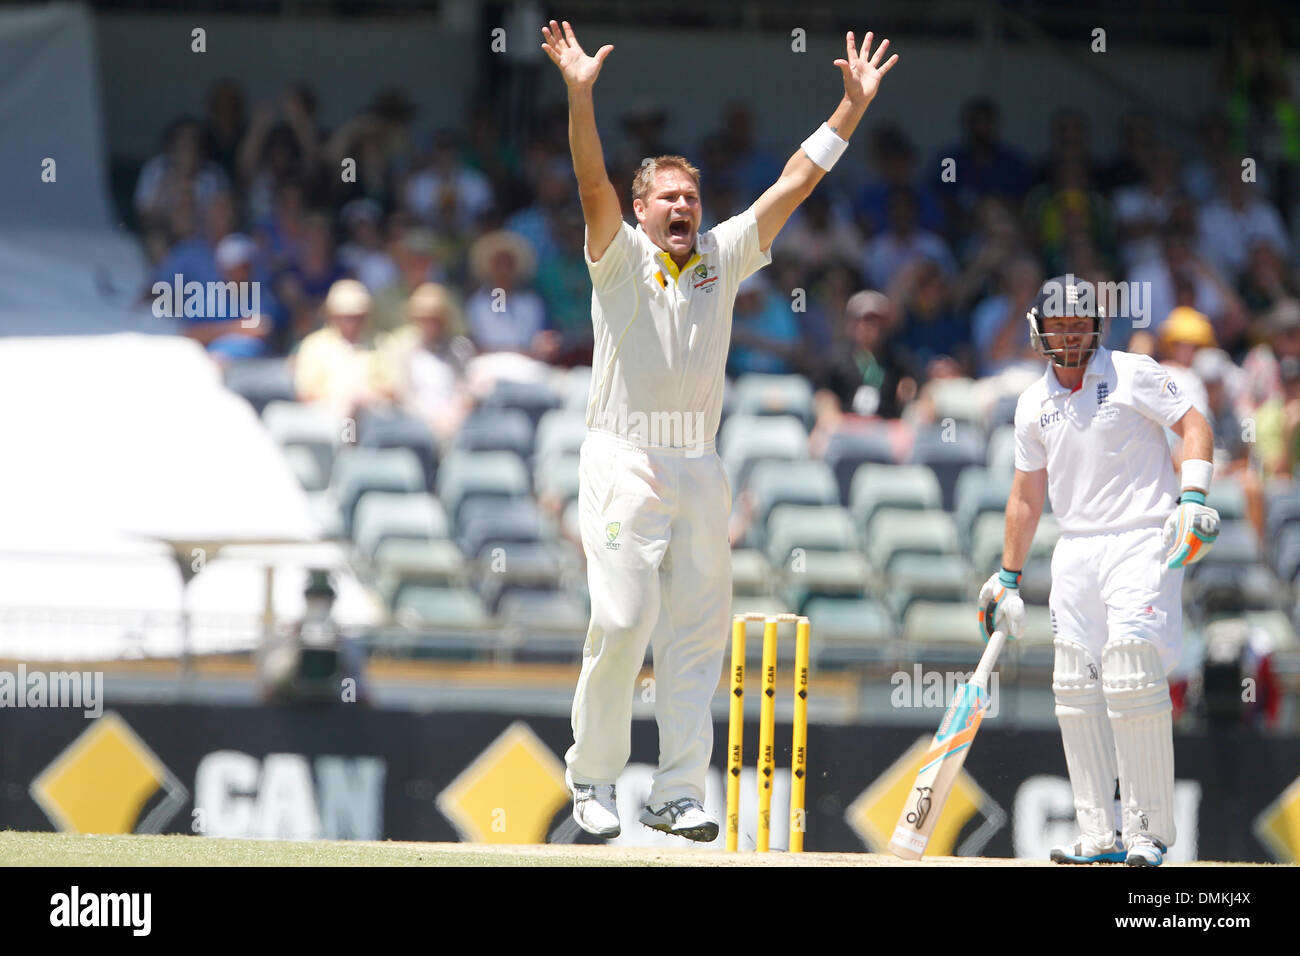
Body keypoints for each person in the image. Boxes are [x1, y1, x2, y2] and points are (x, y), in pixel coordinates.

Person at [541, 19, 897, 841]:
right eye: (667, 197)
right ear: (641, 208)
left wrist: (848, 111)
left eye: (691, 198)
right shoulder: (618, 253)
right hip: (623, 452)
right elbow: (591, 181)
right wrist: (580, 95)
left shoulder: (722, 256)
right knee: (625, 620)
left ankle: (673, 792)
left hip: (699, 462)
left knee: (697, 635)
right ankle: (592, 780)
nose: (682, 207)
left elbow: (794, 181)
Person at [980, 275, 1220, 867]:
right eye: (1058, 324)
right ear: (1039, 328)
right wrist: (1007, 576)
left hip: (1143, 536)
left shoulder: (1132, 372)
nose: (1068, 335)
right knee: (1074, 686)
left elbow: (1195, 424)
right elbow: (1026, 496)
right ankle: (1097, 836)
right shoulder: (1032, 404)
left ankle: (1146, 835)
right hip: (1076, 548)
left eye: (1078, 325)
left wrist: (1192, 498)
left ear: (1096, 327)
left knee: (1131, 672)